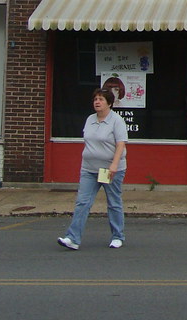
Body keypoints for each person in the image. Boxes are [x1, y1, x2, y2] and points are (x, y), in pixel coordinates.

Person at [58, 87, 128, 250]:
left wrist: (114, 165)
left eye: (101, 99)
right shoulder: (90, 119)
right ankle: (72, 238)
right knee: (82, 203)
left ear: (109, 103)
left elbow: (121, 144)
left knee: (113, 203)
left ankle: (117, 236)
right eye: (95, 99)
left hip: (109, 170)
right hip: (89, 169)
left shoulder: (117, 121)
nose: (97, 102)